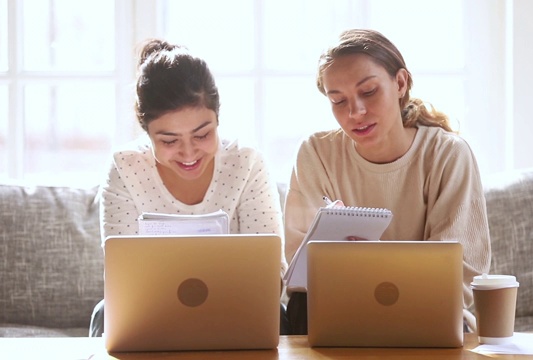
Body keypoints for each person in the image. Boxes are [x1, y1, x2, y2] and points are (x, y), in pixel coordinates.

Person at [283, 29, 491, 334]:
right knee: (302, 311)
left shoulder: (447, 154)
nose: (356, 112)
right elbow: (300, 270)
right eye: (338, 100)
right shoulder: (316, 153)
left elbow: (460, 274)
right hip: (337, 311)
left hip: (425, 313)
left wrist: (376, 264)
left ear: (400, 83)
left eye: (368, 92)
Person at [89, 39, 289, 337]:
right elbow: (121, 280)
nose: (188, 153)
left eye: (202, 134)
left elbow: (272, 276)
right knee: (106, 312)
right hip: (150, 314)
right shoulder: (124, 167)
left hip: (237, 310)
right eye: (169, 141)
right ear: (147, 133)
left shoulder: (246, 162)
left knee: (280, 315)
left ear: (217, 119)